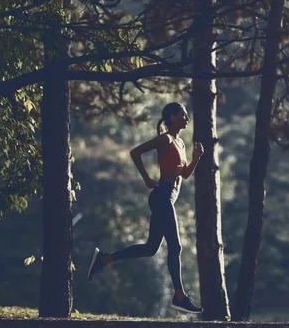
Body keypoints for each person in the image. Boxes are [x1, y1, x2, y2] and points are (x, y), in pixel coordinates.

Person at [87, 102, 204, 314]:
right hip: (162, 197)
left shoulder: (181, 144)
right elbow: (135, 152)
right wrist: (146, 178)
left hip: (169, 197)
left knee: (151, 249)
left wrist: (196, 159)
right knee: (175, 247)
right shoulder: (165, 139)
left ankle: (104, 258)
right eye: (184, 115)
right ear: (172, 116)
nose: (187, 118)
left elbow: (184, 174)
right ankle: (179, 296)